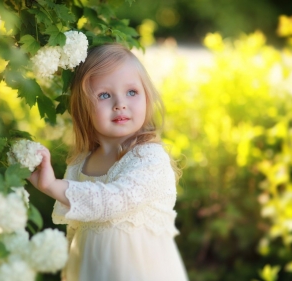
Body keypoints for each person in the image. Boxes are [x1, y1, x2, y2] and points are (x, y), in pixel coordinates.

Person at [28, 43, 188, 281]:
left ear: (147, 97)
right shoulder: (81, 162)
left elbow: (114, 200)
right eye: (104, 95)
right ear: (83, 109)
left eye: (132, 92)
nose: (120, 103)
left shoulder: (149, 158)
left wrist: (53, 186)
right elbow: (76, 227)